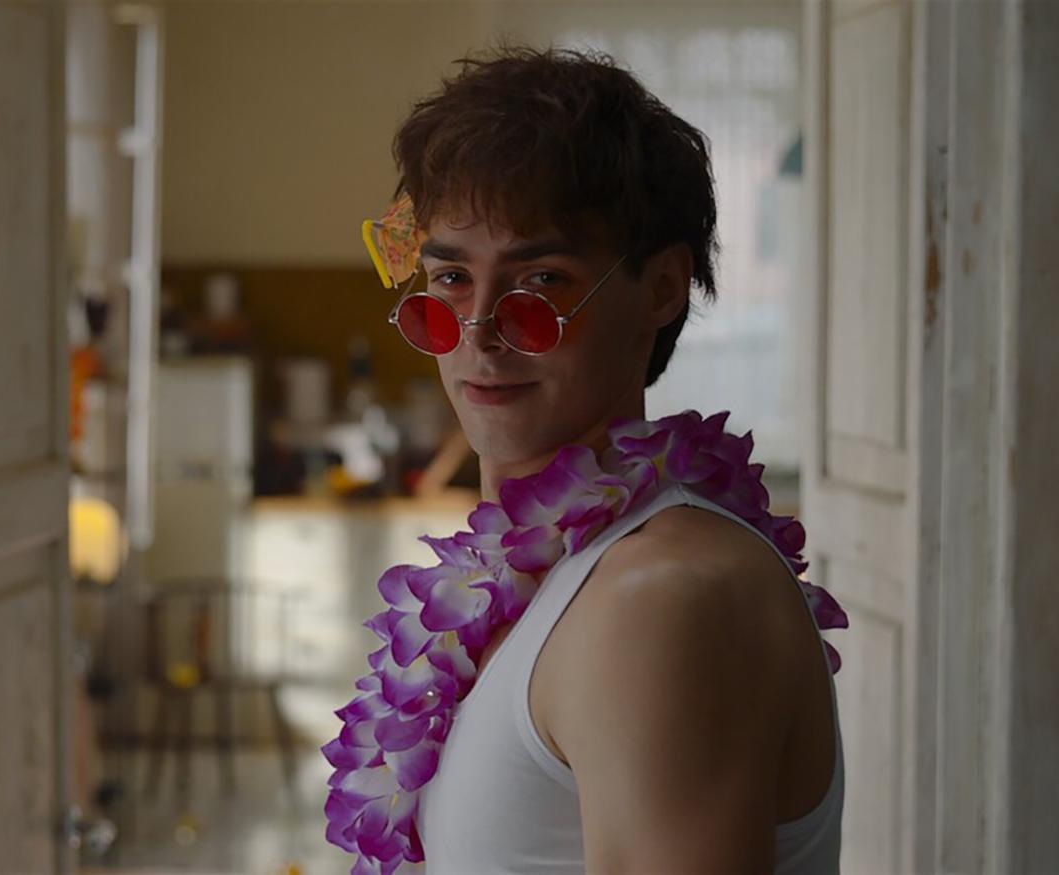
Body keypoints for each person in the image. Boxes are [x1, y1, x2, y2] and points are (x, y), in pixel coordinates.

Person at [348, 47, 843, 874]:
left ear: (662, 287)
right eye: (451, 278)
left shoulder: (661, 598)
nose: (480, 333)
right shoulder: (546, 575)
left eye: (541, 279)